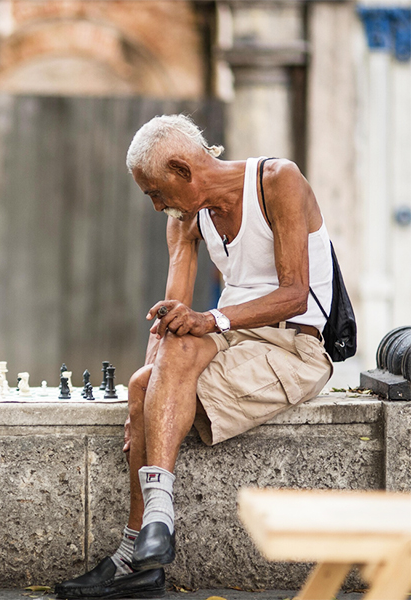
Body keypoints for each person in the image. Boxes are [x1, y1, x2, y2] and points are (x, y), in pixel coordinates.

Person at [54, 114, 334, 599]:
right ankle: (152, 532)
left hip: (295, 344)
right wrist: (142, 388)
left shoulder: (277, 181)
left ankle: (133, 556)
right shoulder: (186, 220)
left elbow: (294, 294)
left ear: (184, 169)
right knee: (147, 381)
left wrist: (213, 320)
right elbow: (169, 319)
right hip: (235, 339)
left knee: (175, 356)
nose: (157, 205)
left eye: (156, 193)